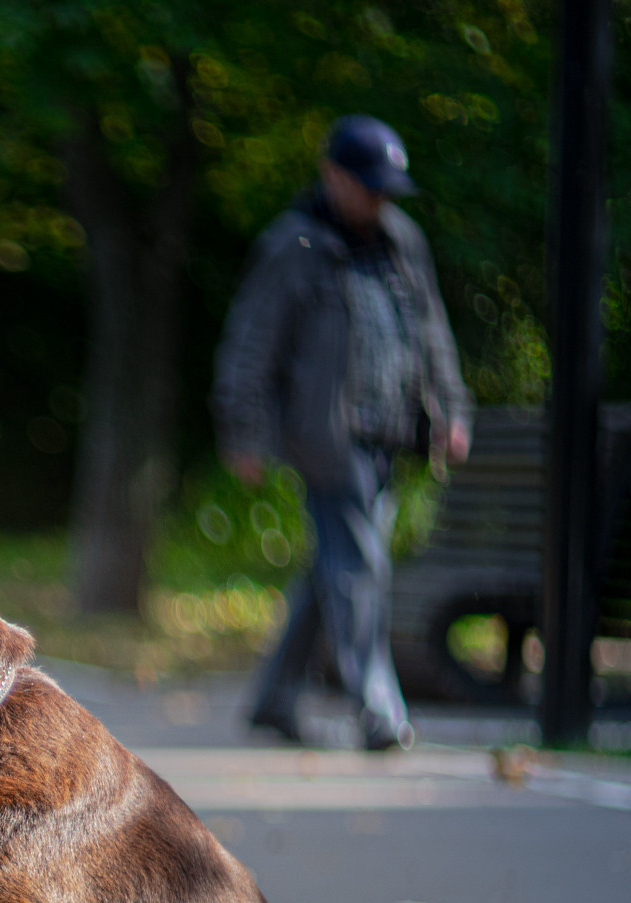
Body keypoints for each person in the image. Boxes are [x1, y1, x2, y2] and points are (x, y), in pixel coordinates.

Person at [213, 115, 473, 751]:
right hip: (327, 436)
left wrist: (452, 408)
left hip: (390, 434)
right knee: (359, 565)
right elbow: (251, 342)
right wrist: (242, 429)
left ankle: (275, 697)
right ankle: (378, 707)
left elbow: (432, 329)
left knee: (339, 567)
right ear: (333, 176)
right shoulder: (294, 244)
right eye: (368, 186)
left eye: (387, 189)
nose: (379, 200)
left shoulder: (400, 240)